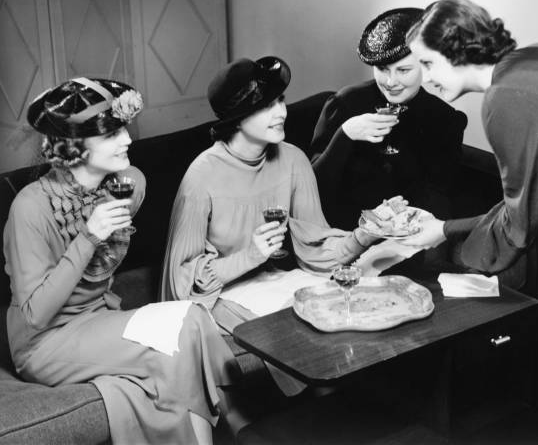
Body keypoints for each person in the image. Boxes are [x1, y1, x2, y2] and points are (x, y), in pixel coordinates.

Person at [403, 0, 538, 444]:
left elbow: (520, 223)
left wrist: (447, 243)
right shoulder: (527, 60)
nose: (425, 77)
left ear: (457, 48)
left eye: (427, 61)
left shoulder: (504, 99)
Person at [3, 77, 238, 444]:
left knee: (180, 342)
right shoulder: (30, 207)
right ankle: (239, 421)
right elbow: (35, 315)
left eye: (123, 128)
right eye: (112, 134)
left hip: (98, 321)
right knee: (184, 327)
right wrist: (88, 237)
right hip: (45, 343)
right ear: (73, 146)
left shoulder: (129, 184)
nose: (127, 139)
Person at [160, 56, 390, 394]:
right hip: (220, 295)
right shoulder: (201, 178)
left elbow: (315, 247)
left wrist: (363, 235)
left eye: (280, 100)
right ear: (237, 118)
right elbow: (180, 285)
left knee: (346, 310)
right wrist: (250, 255)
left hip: (277, 281)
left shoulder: (293, 159)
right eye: (267, 106)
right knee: (302, 345)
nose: (281, 112)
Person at [309, 7, 467, 265]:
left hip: (408, 244)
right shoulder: (345, 104)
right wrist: (345, 135)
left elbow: (439, 197)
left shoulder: (445, 119)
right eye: (382, 69)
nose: (391, 82)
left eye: (403, 70)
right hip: (343, 241)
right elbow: (312, 190)